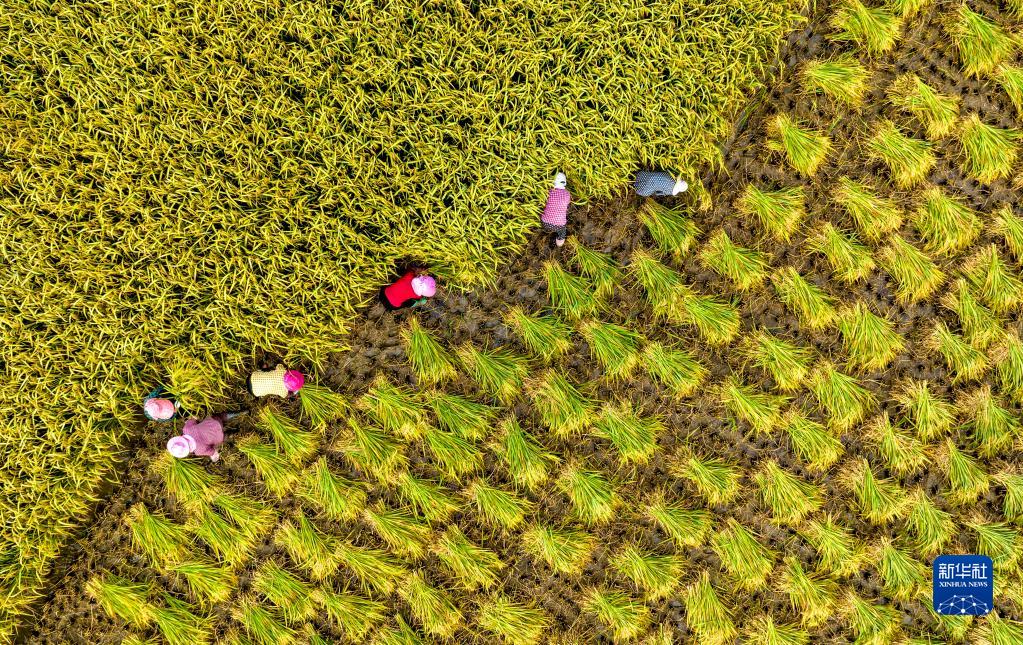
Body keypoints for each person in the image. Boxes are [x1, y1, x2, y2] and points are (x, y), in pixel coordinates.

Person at [166, 412, 243, 462]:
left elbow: (212, 452)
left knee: (226, 437)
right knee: (220, 417)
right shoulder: (186, 429)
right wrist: (188, 421)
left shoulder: (199, 451)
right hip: (215, 422)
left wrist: (214, 458)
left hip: (220, 437)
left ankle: (236, 432)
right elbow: (193, 418)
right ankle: (236, 413)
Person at [541, 172, 571, 247]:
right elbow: (567, 204)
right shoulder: (567, 194)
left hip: (545, 222)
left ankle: (545, 230)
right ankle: (559, 244)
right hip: (559, 225)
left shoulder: (550, 191)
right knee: (562, 232)